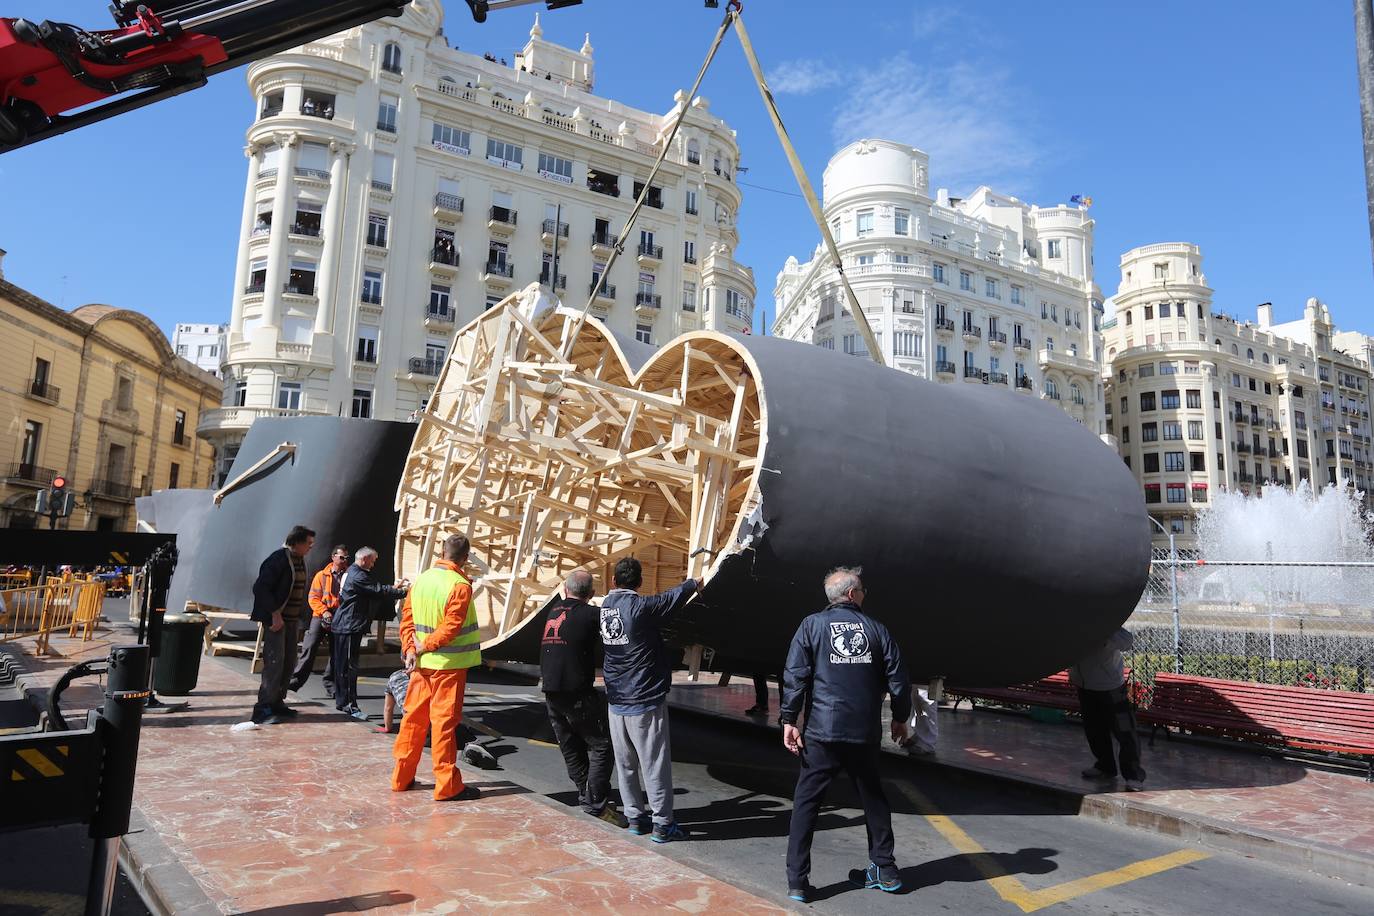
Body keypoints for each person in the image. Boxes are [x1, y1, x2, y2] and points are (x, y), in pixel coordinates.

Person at [780, 566, 912, 903]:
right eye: (863, 590)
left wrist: (789, 719)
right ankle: (885, 868)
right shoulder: (878, 630)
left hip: (822, 731)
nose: (865, 594)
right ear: (852, 594)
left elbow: (796, 675)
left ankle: (798, 881)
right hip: (863, 732)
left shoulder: (811, 625)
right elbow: (899, 679)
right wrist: (900, 718)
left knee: (806, 803)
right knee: (874, 800)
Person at [599, 557, 700, 843]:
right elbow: (670, 599)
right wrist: (693, 583)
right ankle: (662, 824)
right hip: (643, 697)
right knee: (653, 762)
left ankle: (634, 817)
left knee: (626, 764)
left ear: (614, 582)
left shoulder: (606, 608)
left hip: (616, 698)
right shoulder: (641, 608)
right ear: (639, 583)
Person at [391, 534, 483, 801]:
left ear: (442, 552)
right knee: (443, 725)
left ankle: (401, 777)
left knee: (413, 721)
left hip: (421, 667)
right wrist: (424, 646)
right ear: (465, 558)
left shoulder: (422, 580)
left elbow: (407, 618)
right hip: (448, 666)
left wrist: (410, 648)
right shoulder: (460, 585)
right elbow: (451, 627)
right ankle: (447, 785)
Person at [541, 570, 628, 828]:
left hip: (551, 691)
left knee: (571, 745)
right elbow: (615, 637)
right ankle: (595, 800)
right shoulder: (591, 615)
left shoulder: (554, 611)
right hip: (576, 691)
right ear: (591, 595)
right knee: (602, 745)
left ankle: (586, 793)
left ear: (566, 590)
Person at [248, 525, 314, 725]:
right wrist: (275, 614)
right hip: (277, 621)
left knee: (288, 662)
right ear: (297, 542)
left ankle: (277, 702)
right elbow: (260, 588)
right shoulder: (278, 559)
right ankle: (263, 707)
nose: (311, 547)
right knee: (275, 663)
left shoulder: (299, 560)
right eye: (308, 543)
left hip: (291, 621)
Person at [333, 547, 408, 721]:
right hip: (349, 626)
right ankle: (350, 706)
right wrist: (404, 592)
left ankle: (342, 702)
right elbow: (377, 590)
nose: (374, 564)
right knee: (349, 668)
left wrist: (392, 588)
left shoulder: (354, 572)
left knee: (343, 666)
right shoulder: (358, 575)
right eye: (373, 560)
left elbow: (376, 589)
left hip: (346, 625)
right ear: (365, 558)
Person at [1069, 627, 1146, 791]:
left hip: (1110, 686)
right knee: (1094, 730)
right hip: (1084, 685)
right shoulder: (1072, 621)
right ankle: (1105, 767)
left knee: (1125, 730)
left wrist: (1105, 641)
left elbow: (1127, 641)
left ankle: (1133, 775)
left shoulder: (1104, 621)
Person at [378, 667, 497, 768]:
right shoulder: (425, 674)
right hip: (434, 721)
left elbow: (388, 708)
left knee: (436, 744)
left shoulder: (393, 678)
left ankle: (462, 753)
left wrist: (388, 728)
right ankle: (471, 747)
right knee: (452, 734)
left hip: (416, 731)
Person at [290, 544, 348, 696]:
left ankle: (331, 684)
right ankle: (294, 682)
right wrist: (324, 612)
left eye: (346, 558)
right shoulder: (321, 576)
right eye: (341, 557)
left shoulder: (349, 576)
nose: (344, 561)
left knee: (336, 653)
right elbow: (313, 598)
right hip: (320, 615)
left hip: (339, 617)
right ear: (333, 557)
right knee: (309, 648)